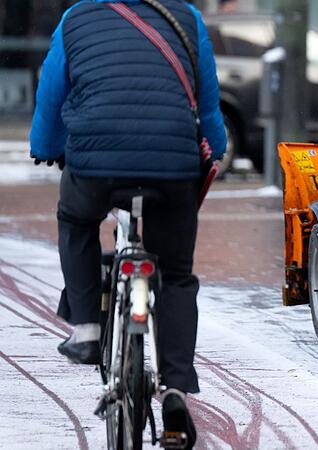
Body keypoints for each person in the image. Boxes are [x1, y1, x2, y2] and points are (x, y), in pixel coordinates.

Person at [29, 0, 226, 444]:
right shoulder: (188, 19)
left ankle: (86, 328)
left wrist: (44, 144)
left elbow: (52, 92)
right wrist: (215, 146)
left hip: (97, 167)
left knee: (76, 222)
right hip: (172, 169)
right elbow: (207, 101)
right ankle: (175, 386)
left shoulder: (77, 17)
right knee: (174, 276)